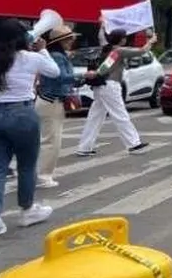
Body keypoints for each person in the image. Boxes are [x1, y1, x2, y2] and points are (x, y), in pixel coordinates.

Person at [0, 18, 55, 234]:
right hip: (22, 112)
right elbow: (54, 72)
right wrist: (43, 51)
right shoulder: (30, 57)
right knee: (26, 165)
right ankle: (27, 210)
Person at [75, 29, 151, 157]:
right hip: (110, 86)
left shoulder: (107, 49)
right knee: (120, 114)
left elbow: (104, 65)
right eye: (124, 37)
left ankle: (84, 147)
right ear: (122, 39)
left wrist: (102, 25)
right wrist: (151, 41)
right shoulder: (118, 51)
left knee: (95, 117)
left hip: (101, 86)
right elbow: (142, 51)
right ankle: (133, 144)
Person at [36, 24, 78, 188]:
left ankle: (42, 174)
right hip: (52, 101)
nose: (71, 41)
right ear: (60, 41)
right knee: (51, 142)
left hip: (47, 100)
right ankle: (44, 176)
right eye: (68, 39)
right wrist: (80, 75)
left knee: (47, 140)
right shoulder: (58, 57)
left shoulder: (55, 55)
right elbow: (61, 77)